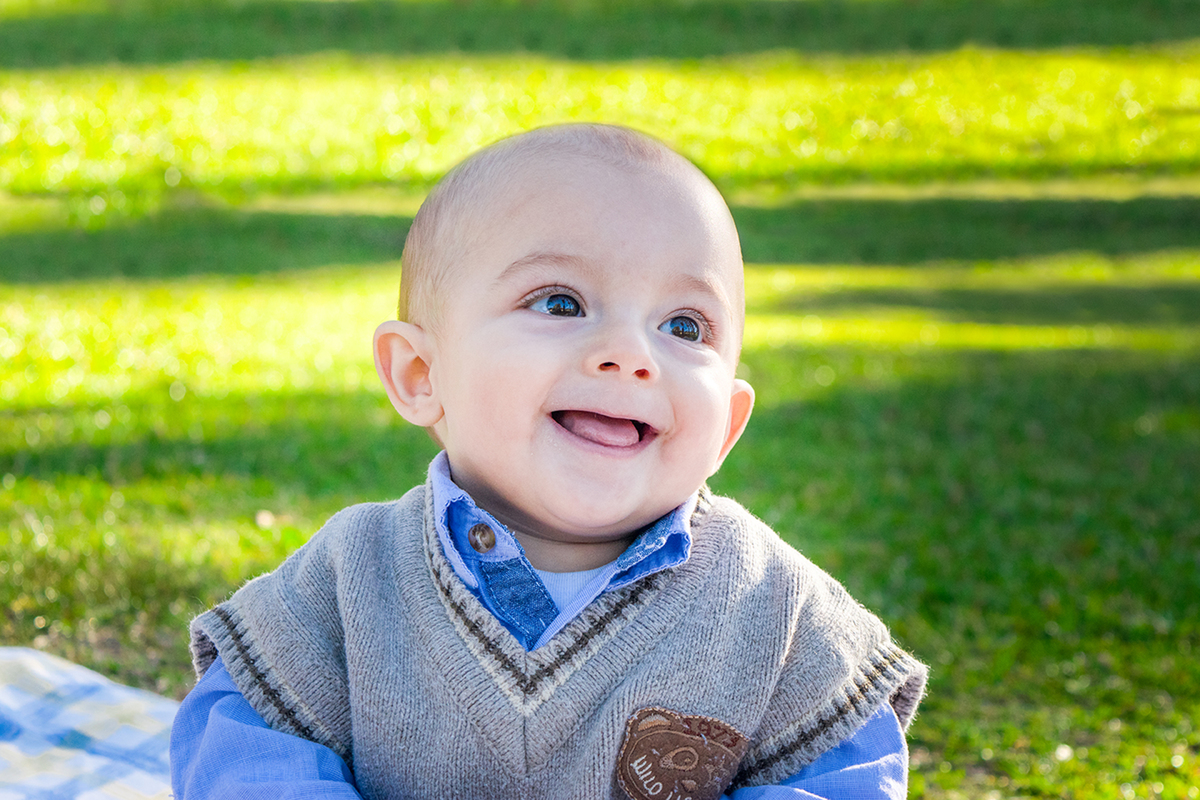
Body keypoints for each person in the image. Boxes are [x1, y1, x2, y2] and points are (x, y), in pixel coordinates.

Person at [169, 123, 927, 800]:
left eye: (684, 325)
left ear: (726, 426)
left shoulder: (775, 611)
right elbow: (246, 739)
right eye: (561, 303)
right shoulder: (352, 578)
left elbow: (841, 773)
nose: (629, 353)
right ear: (421, 375)